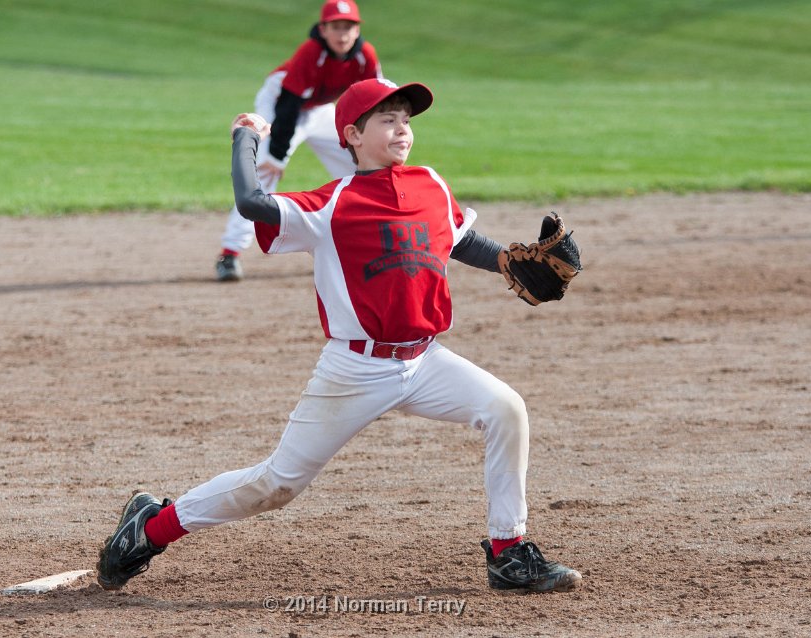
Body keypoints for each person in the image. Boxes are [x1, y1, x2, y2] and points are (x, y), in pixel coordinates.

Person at [97, 78, 582, 594]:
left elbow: (459, 238)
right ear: (352, 135)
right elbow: (252, 203)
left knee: (506, 409)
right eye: (387, 120)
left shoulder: (431, 184)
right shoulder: (330, 205)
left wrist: (505, 259)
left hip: (426, 361)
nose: (402, 128)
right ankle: (151, 529)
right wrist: (246, 138)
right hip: (356, 368)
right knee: (278, 484)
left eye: (406, 119)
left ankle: (509, 553)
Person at [215, 0, 382, 282]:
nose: (342, 34)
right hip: (279, 105)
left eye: (348, 27)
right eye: (336, 27)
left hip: (319, 110)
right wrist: (277, 156)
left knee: (364, 168)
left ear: (357, 30)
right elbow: (288, 106)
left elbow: (375, 98)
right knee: (263, 175)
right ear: (323, 29)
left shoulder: (365, 55)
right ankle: (230, 254)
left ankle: (370, 239)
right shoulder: (311, 52)